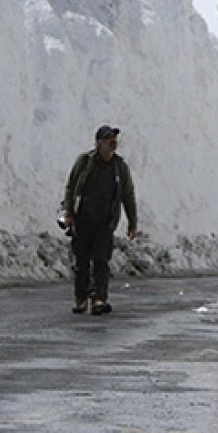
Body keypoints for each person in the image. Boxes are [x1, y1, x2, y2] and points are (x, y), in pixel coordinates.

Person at [61, 125, 139, 315]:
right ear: (98, 143)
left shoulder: (120, 167)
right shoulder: (85, 162)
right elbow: (71, 187)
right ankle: (80, 298)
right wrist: (69, 213)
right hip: (83, 220)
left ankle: (99, 299)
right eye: (108, 139)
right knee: (81, 262)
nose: (112, 143)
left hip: (105, 223)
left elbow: (128, 195)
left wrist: (132, 223)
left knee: (101, 261)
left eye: (114, 139)